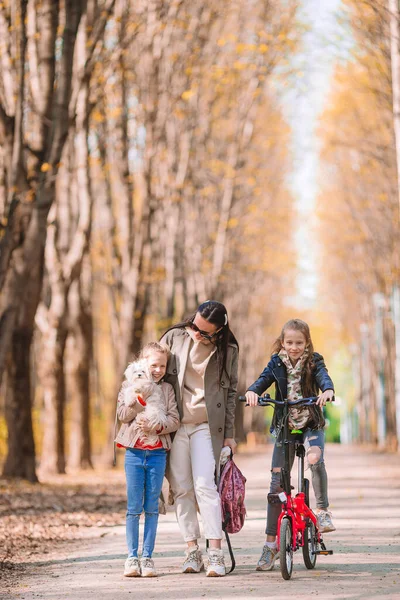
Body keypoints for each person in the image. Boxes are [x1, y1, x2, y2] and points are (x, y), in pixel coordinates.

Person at [245, 318, 335, 572]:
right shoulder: (276, 362)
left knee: (315, 458)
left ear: (307, 342)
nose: (294, 347)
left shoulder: (314, 361)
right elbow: (262, 381)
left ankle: (323, 510)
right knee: (277, 485)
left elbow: (323, 377)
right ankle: (270, 545)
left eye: (299, 342)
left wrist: (327, 390)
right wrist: (253, 391)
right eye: (289, 342)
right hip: (285, 424)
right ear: (282, 342)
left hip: (310, 422)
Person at [161, 300, 239, 577]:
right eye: (193, 326)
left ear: (218, 332)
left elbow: (230, 394)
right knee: (181, 488)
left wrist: (229, 434)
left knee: (206, 485)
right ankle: (191, 550)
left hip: (207, 426)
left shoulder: (227, 350)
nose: (195, 332)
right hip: (176, 425)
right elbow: (154, 375)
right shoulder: (173, 338)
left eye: (204, 332)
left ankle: (215, 552)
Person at [115, 342, 180, 578]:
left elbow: (174, 420)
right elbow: (122, 416)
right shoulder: (128, 385)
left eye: (162, 365)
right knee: (133, 508)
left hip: (157, 453)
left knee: (152, 507)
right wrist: (138, 401)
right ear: (143, 363)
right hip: (134, 452)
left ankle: (148, 557)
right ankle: (132, 557)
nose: (158, 370)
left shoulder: (167, 390)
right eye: (154, 365)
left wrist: (157, 426)